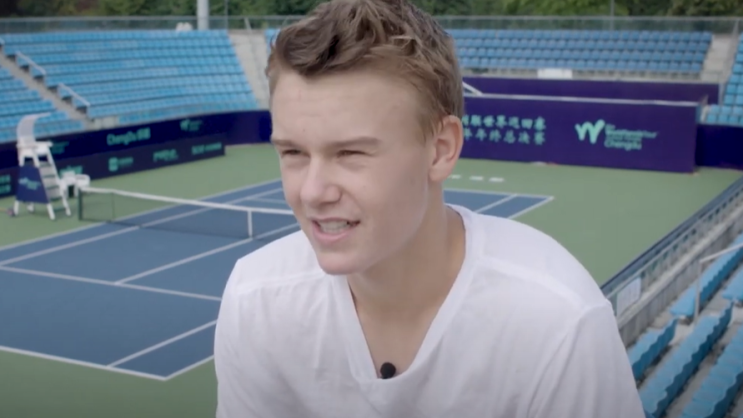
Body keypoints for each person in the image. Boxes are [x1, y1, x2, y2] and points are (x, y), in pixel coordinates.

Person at [213, 0, 646, 416]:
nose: (312, 192)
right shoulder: (254, 301)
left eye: (350, 153)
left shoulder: (558, 320)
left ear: (440, 150)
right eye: (293, 153)